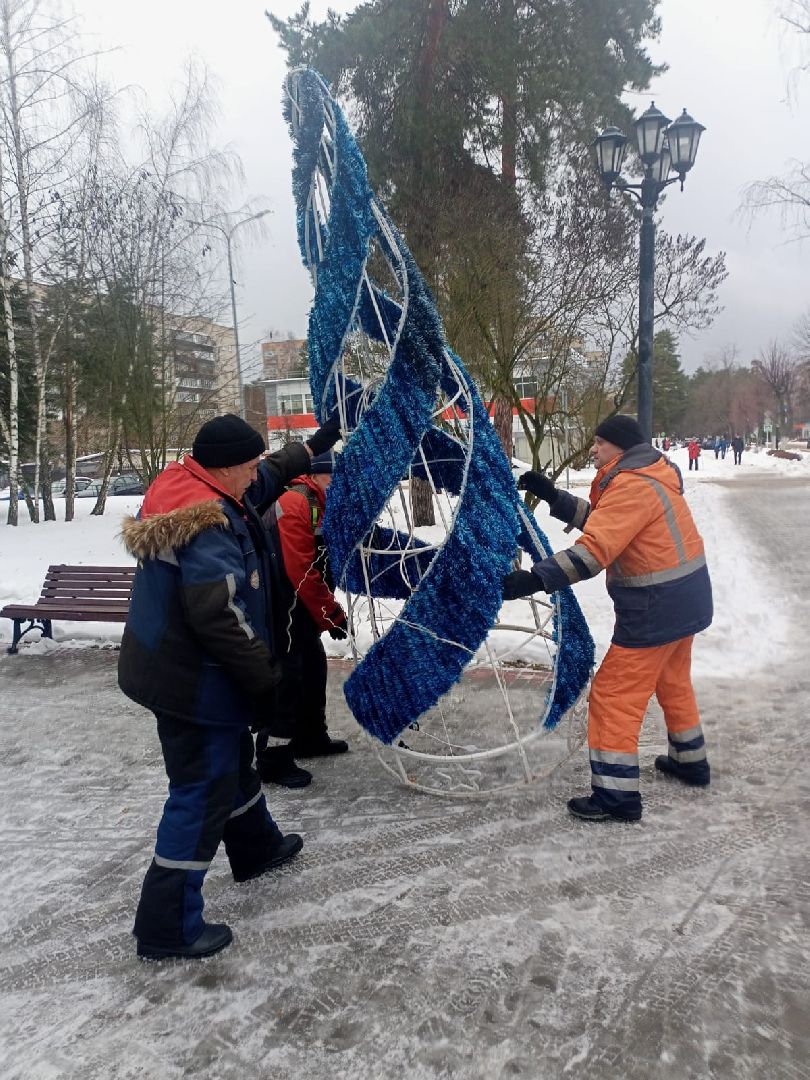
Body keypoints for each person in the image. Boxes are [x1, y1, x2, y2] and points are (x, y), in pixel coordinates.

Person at [119, 412, 342, 960]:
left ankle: (256, 846)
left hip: (180, 670)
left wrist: (317, 443)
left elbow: (266, 475)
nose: (256, 476)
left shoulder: (199, 482)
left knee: (231, 763)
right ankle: (167, 925)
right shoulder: (206, 524)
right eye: (249, 466)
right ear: (225, 468)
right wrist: (265, 681)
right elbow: (219, 615)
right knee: (201, 788)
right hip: (191, 681)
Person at [502, 414, 713, 823]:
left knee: (614, 695)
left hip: (656, 608)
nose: (593, 449)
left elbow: (594, 550)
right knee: (672, 681)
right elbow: (607, 520)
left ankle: (616, 797)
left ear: (620, 445)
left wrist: (532, 579)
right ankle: (690, 761)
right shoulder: (648, 475)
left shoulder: (631, 487)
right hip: (687, 600)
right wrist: (552, 496)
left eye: (600, 442)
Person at [255, 451, 350, 787]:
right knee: (288, 675)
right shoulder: (295, 503)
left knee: (312, 664)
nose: (340, 484)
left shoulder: (320, 502)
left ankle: (311, 736)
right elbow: (302, 570)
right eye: (334, 477)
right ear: (317, 475)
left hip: (301, 606)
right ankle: (272, 758)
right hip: (283, 604)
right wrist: (332, 613)